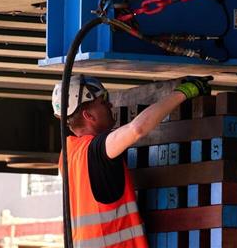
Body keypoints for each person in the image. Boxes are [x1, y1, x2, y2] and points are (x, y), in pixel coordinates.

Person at [52, 75, 212, 248]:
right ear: (88, 115)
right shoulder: (96, 150)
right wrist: (183, 93)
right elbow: (137, 129)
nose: (110, 105)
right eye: (103, 101)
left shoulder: (67, 156)